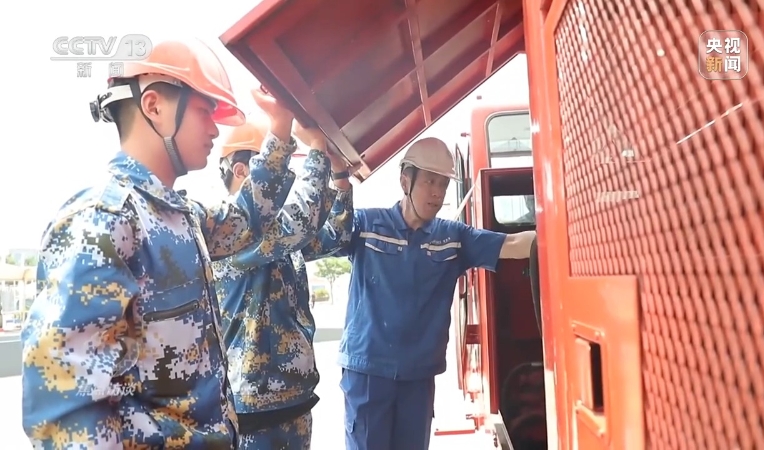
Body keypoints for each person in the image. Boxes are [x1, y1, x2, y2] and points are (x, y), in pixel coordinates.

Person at [21, 39, 315, 448]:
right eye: (204, 111)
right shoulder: (104, 219)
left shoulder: (179, 215)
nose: (214, 129)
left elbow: (247, 220)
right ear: (154, 106)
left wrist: (280, 128)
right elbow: (67, 409)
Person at [335, 137, 538, 450]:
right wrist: (339, 179)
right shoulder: (367, 225)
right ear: (405, 181)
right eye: (430, 181)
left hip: (418, 376)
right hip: (368, 372)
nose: (437, 193)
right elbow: (327, 235)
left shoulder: (452, 237)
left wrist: (562, 232)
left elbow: (510, 244)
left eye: (443, 184)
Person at [211, 113, 354, 449]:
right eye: (278, 170)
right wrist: (317, 147)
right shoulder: (231, 232)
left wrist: (341, 180)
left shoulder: (278, 237)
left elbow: (335, 237)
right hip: (253, 406)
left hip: (293, 398)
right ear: (241, 171)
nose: (284, 182)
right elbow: (300, 223)